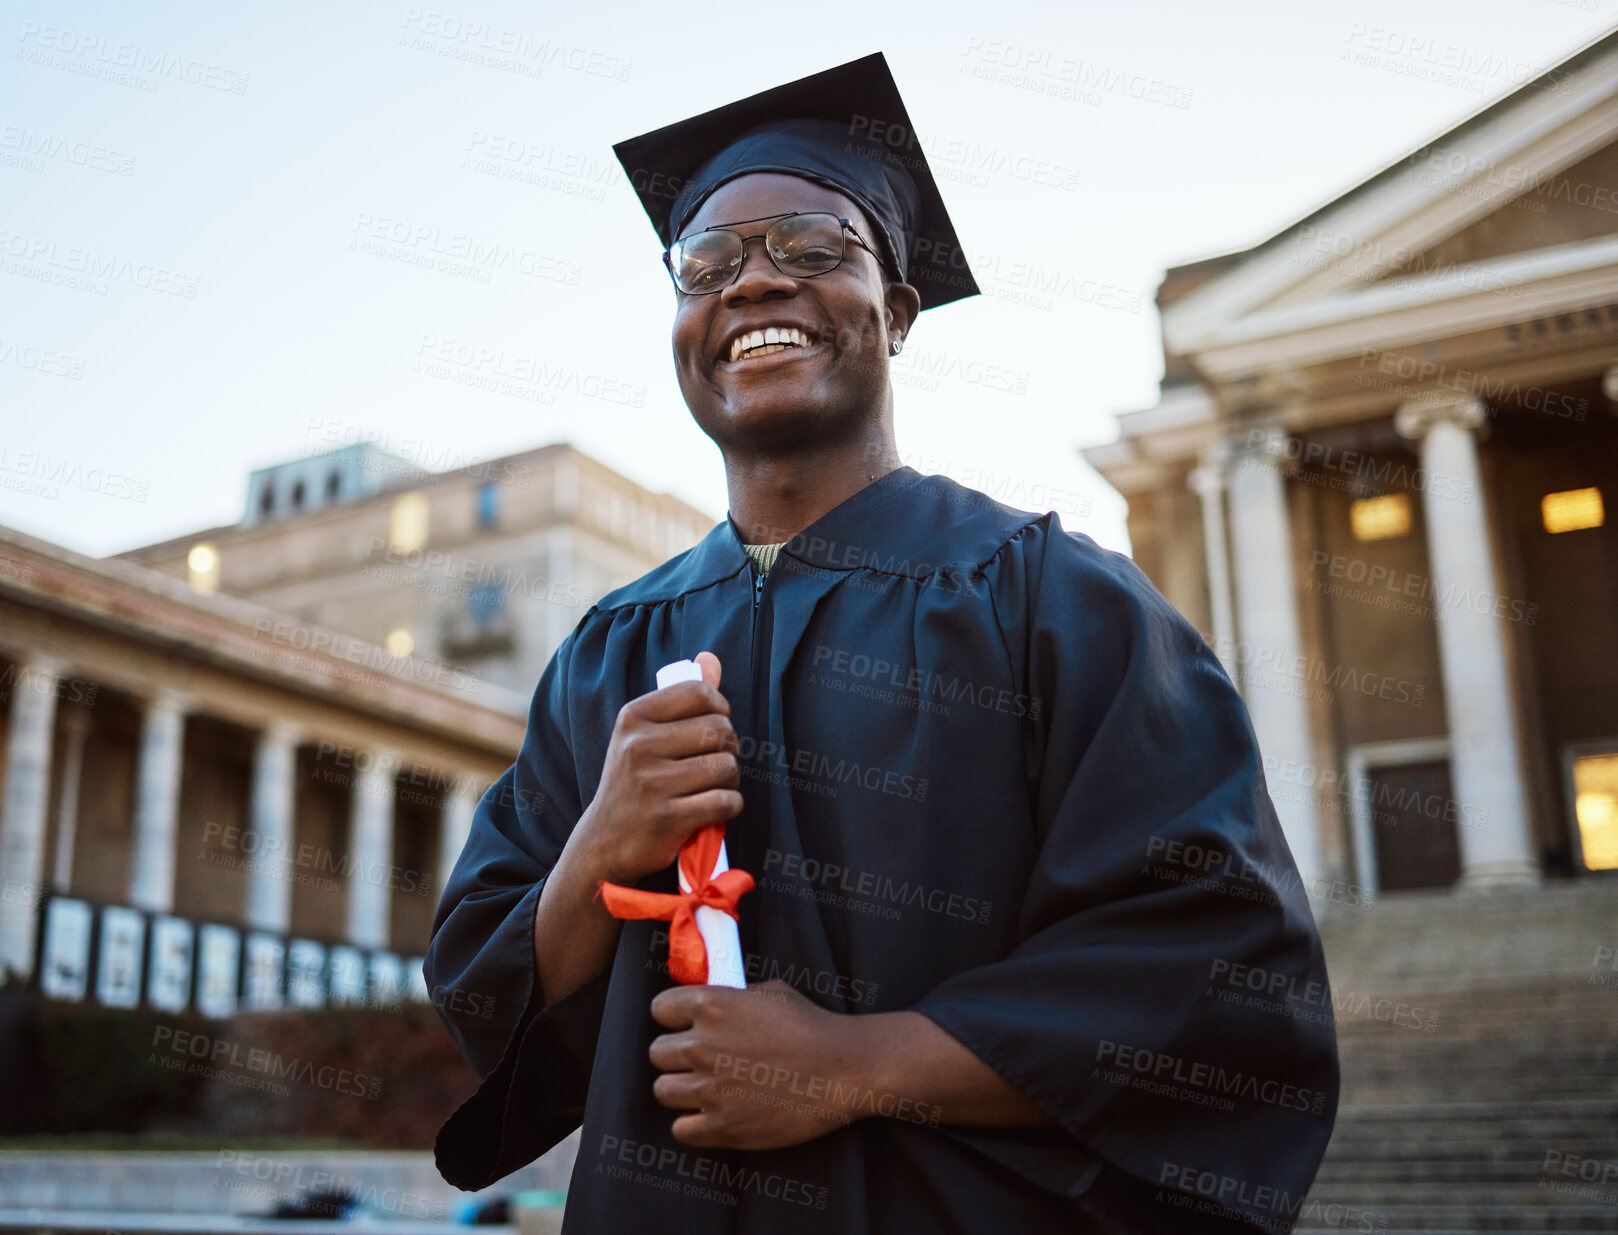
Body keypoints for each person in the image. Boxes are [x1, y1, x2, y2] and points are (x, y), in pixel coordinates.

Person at [426, 53, 1339, 1234]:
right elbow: (486, 992)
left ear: (896, 311)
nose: (753, 283)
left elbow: (1218, 977)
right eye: (705, 265)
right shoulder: (608, 653)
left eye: (813, 246)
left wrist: (854, 1065)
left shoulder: (1059, 601)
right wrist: (599, 848)